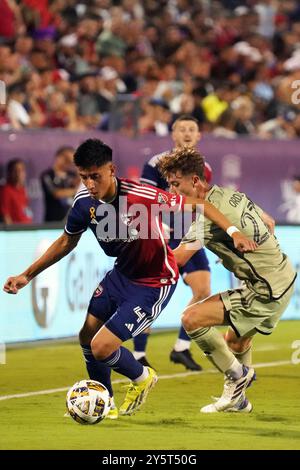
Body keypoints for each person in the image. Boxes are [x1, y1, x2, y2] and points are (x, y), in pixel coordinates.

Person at [3, 139, 255, 419]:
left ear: (111, 170)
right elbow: (65, 242)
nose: (89, 184)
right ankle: (105, 400)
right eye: (84, 177)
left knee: (102, 347)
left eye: (95, 176)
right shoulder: (83, 203)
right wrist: (27, 274)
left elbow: (201, 205)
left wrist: (234, 232)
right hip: (121, 274)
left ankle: (142, 376)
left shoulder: (143, 194)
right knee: (87, 337)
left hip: (154, 282)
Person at [158, 147, 296, 413]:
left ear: (195, 181)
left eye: (176, 184)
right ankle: (238, 400)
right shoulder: (231, 196)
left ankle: (238, 376)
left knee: (191, 318)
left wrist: (143, 249)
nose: (173, 192)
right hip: (284, 278)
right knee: (236, 341)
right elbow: (269, 222)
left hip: (265, 291)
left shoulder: (207, 223)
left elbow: (176, 261)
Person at [136, 114, 212, 371]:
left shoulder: (205, 167)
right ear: (173, 134)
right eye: (182, 129)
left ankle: (181, 348)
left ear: (199, 135)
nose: (188, 133)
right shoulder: (156, 163)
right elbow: (143, 199)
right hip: (163, 234)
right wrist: (156, 224)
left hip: (190, 234)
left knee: (202, 290)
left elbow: (204, 203)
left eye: (192, 129)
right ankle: (137, 355)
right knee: (150, 294)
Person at [40, 146, 79, 222]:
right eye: (67, 159)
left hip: (71, 221)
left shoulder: (72, 175)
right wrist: (75, 191)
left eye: (71, 161)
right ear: (59, 158)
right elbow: (56, 193)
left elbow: (82, 186)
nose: (69, 163)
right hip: (53, 221)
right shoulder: (47, 175)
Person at [0, 159, 33, 224]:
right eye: (16, 171)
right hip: (16, 231)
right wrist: (12, 232)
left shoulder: (23, 189)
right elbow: (5, 215)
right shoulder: (5, 190)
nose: (19, 174)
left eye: (22, 170)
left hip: (27, 229)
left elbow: (25, 211)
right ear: (9, 173)